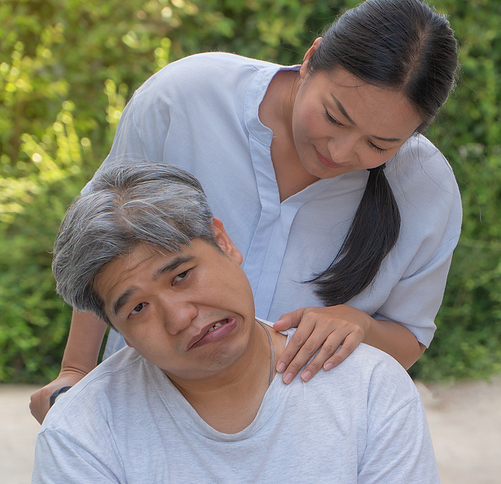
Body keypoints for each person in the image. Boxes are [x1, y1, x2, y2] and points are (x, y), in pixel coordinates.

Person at [30, 162, 455, 484]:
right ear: (120, 331)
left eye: (181, 275)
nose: (180, 317)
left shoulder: (368, 387)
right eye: (136, 308)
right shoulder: (83, 432)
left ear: (224, 242)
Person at [30, 0, 462, 424]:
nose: (339, 150)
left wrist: (360, 326)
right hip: (146, 418)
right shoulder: (187, 99)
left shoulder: (425, 190)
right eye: (333, 117)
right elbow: (104, 242)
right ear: (311, 59)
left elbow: (410, 335)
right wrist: (76, 373)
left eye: (378, 145)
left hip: (305, 441)